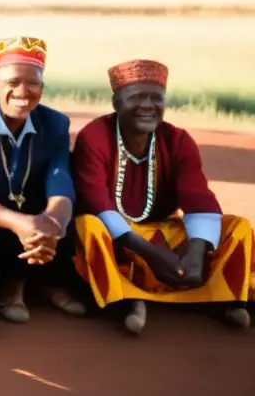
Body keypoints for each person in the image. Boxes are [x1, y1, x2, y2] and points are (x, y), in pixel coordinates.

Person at [72, 60, 253, 334]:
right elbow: (98, 203)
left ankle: (221, 297)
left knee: (238, 228)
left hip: (166, 233)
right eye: (136, 97)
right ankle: (127, 300)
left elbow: (199, 199)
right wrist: (152, 255)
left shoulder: (177, 140)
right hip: (119, 237)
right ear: (116, 103)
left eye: (156, 98)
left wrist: (195, 250)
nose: (148, 105)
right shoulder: (95, 137)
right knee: (89, 228)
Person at [0, 37, 87, 324]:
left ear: (42, 88)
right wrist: (19, 223)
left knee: (72, 215)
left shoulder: (56, 124)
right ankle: (1, 288)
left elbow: (60, 182)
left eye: (32, 83)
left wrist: (52, 224)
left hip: (32, 217)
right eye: (12, 83)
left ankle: (42, 282)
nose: (23, 92)